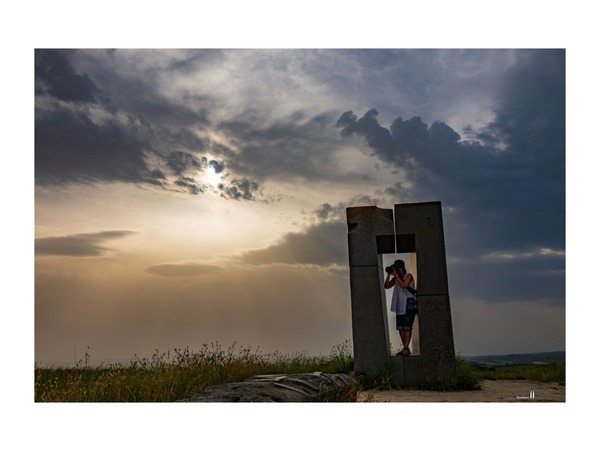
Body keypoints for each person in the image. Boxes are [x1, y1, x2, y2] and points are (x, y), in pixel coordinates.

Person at [384, 259, 417, 356]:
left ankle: (406, 348)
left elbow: (403, 285)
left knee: (407, 327)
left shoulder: (409, 276)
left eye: (398, 268)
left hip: (409, 304)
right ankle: (405, 348)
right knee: (401, 327)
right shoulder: (396, 278)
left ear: (402, 268)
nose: (397, 270)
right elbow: (387, 286)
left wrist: (397, 276)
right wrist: (389, 274)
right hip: (400, 305)